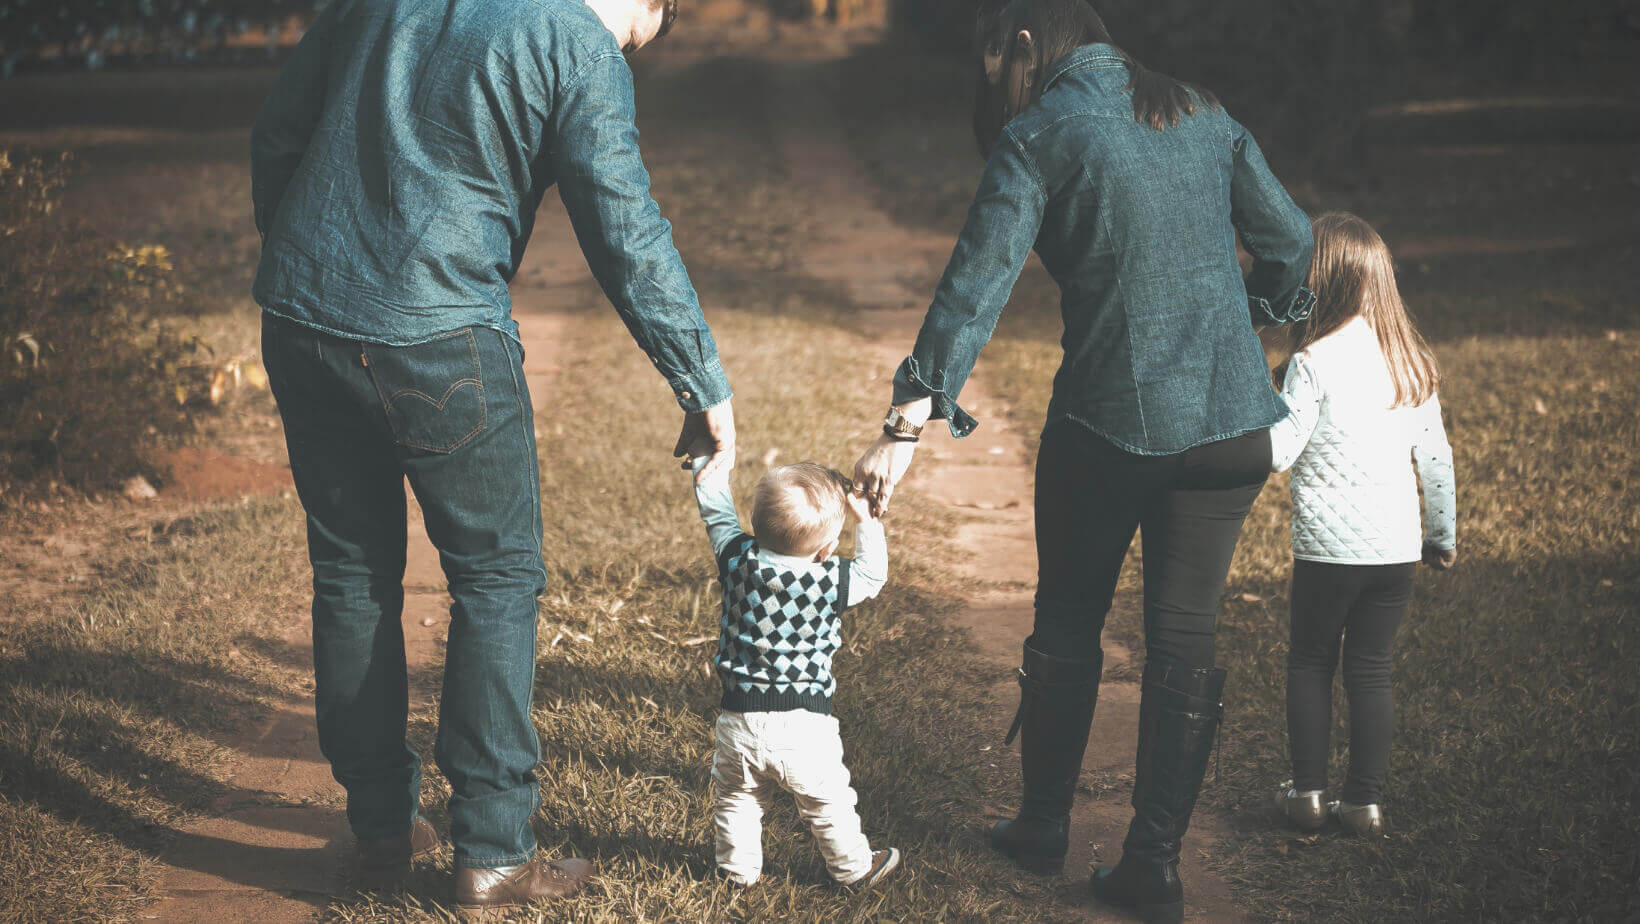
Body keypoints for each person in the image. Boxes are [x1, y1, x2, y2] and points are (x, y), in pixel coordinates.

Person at [251, 0, 734, 910]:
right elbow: (623, 227)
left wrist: (298, 255)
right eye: (643, 30)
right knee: (496, 579)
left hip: (302, 314)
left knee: (352, 571)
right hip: (440, 334)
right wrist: (701, 380)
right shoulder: (574, 39)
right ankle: (497, 850)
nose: (629, 48)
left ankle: (383, 827)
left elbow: (279, 128)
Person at [851, 1, 1314, 920]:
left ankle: (1041, 826)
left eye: (999, 70)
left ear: (1025, 45)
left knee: (1068, 616)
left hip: (1109, 427)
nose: (1001, 92)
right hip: (1232, 433)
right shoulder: (1202, 111)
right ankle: (1154, 866)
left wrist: (902, 429)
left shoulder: (1040, 131)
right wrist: (1260, 316)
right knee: (1185, 636)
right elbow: (1293, 241)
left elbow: (972, 289)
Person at [1269, 212, 1456, 838]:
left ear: (1318, 282)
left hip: (1326, 554)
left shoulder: (1313, 362)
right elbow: (1435, 460)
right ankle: (1365, 805)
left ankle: (1308, 797)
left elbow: (1279, 453)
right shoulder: (1411, 363)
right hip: (1396, 550)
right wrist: (1441, 537)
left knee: (1311, 662)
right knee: (1372, 668)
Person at [691, 458, 902, 890]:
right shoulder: (832, 579)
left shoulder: (737, 560)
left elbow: (716, 513)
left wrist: (707, 460)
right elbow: (873, 575)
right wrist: (865, 520)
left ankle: (737, 872)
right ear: (826, 549)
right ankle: (854, 869)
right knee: (828, 802)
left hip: (738, 721)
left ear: (755, 524)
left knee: (737, 798)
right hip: (805, 725)